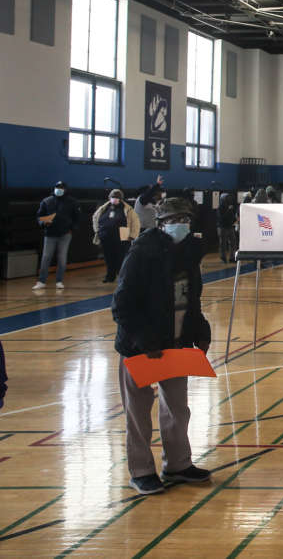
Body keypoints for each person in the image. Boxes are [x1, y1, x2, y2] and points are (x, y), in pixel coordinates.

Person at [111, 197, 213, 495]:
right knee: (138, 411)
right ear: (161, 223)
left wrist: (200, 330)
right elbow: (122, 306)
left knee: (178, 409)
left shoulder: (190, 252)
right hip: (140, 347)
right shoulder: (142, 252)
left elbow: (190, 298)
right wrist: (144, 341)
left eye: (185, 218)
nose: (181, 224)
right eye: (174, 219)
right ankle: (141, 471)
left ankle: (178, 464)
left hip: (175, 343)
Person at [33, 180, 81, 290]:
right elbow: (39, 216)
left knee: (62, 258)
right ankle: (41, 281)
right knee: (46, 257)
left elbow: (77, 217)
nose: (59, 189)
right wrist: (43, 222)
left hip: (65, 234)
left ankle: (59, 280)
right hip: (49, 234)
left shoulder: (72, 202)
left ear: (65, 189)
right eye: (57, 187)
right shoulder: (46, 201)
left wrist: (72, 228)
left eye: (61, 188)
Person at [93, 189, 140, 282]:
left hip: (122, 235)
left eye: (117, 197)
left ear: (121, 199)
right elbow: (95, 217)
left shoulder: (127, 208)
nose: (114, 199)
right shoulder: (104, 207)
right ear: (109, 198)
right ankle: (110, 276)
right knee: (108, 257)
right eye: (113, 197)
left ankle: (121, 276)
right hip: (106, 236)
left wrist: (133, 235)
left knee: (121, 258)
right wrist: (97, 231)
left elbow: (135, 222)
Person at [217, 193, 238, 263]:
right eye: (226, 198)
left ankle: (232, 257)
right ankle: (223, 257)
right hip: (222, 227)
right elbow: (221, 218)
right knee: (223, 244)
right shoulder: (220, 207)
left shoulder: (230, 206)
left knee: (233, 243)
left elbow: (232, 215)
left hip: (230, 226)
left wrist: (235, 220)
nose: (228, 199)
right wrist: (228, 210)